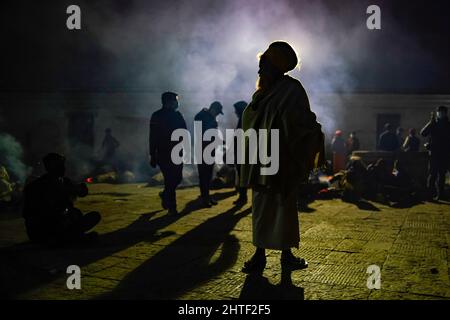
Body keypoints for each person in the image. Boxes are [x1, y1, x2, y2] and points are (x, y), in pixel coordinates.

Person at [240, 41, 325, 273]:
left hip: (275, 163)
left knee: (277, 208)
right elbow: (254, 124)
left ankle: (276, 256)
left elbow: (296, 123)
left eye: (263, 65)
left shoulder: (285, 90)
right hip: (270, 162)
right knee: (269, 208)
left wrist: (312, 131)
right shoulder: (270, 92)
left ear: (276, 67)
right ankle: (267, 255)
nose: (259, 71)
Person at [22, 153, 101, 246]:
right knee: (66, 218)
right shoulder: (38, 186)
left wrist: (76, 189)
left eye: (62, 165)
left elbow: (83, 192)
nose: (63, 168)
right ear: (50, 167)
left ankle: (70, 237)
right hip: (44, 230)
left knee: (88, 215)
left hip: (57, 226)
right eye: (59, 165)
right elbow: (32, 213)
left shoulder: (63, 181)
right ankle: (71, 238)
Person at [149, 92, 187, 215]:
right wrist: (152, 155)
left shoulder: (178, 115)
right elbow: (152, 136)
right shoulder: (156, 116)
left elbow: (185, 132)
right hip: (163, 153)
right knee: (170, 179)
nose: (177, 103)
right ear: (169, 101)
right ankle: (172, 207)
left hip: (177, 153)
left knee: (178, 178)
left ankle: (165, 194)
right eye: (176, 100)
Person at [194, 101, 224, 207]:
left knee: (208, 176)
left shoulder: (209, 117)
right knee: (204, 176)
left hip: (209, 150)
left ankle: (206, 197)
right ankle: (204, 199)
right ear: (213, 109)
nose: (217, 115)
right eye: (217, 112)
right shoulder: (200, 116)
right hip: (202, 150)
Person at [420, 106, 450, 201]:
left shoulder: (448, 124)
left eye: (442, 112)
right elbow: (423, 133)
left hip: (444, 153)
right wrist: (431, 122)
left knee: (441, 175)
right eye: (439, 112)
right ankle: (430, 195)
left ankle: (440, 194)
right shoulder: (433, 124)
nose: (440, 114)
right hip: (434, 153)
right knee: (432, 175)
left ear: (446, 113)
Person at [232, 100, 248, 205]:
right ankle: (243, 197)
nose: (235, 112)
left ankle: (243, 197)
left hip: (243, 153)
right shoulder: (245, 119)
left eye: (236, 110)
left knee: (243, 176)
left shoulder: (244, 120)